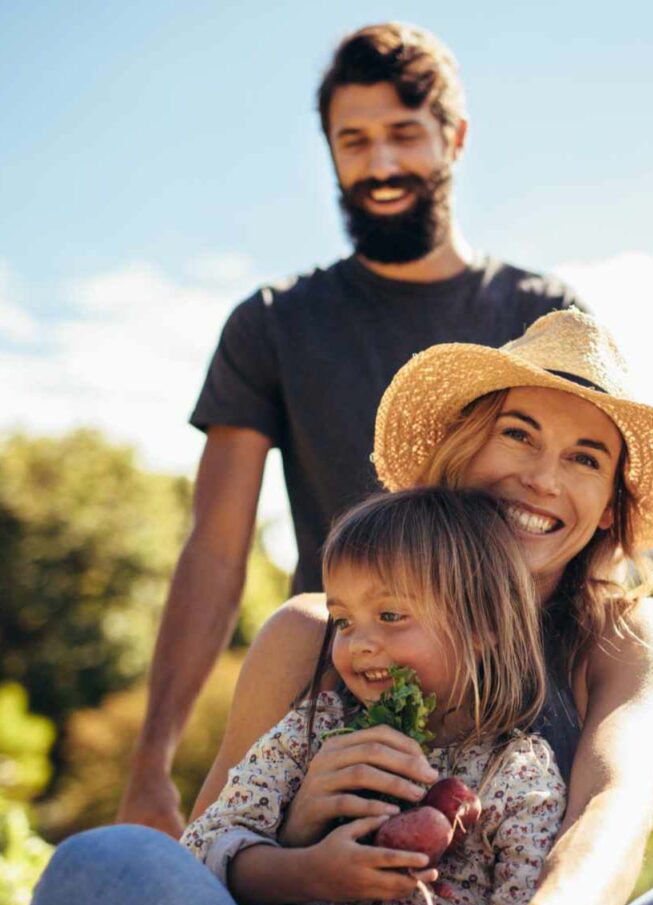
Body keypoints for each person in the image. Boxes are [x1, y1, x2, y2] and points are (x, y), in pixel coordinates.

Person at [2, 310, 653, 905]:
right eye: (518, 433)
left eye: (586, 459)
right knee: (107, 864)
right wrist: (300, 830)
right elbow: (204, 859)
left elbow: (616, 804)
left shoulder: (624, 634)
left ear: (610, 505)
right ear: (463, 448)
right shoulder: (312, 633)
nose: (542, 476)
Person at [119, 21, 588, 838]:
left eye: (404, 135)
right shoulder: (273, 324)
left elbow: (584, 519)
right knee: (230, 895)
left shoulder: (537, 316)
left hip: (514, 706)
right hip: (336, 691)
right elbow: (216, 550)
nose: (379, 165)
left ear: (455, 138)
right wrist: (153, 757)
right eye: (354, 140)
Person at [181, 487, 567, 905]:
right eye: (343, 621)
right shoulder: (311, 734)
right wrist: (307, 870)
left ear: (479, 629)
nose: (358, 642)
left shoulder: (516, 768)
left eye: (389, 615)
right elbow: (201, 850)